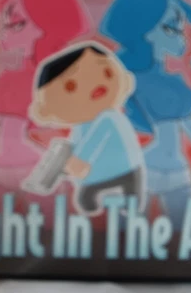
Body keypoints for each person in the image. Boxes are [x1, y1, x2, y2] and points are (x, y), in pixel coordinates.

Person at [99, 0, 191, 228]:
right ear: (146, 32)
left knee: (188, 238)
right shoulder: (131, 80)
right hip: (142, 169)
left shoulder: (173, 83)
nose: (182, 37)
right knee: (126, 239)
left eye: (180, 28)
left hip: (178, 171)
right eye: (171, 28)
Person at [0, 0, 90, 213]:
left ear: (45, 28)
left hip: (41, 168)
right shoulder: (5, 78)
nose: (3, 35)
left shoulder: (55, 82)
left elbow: (66, 131)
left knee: (53, 231)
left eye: (17, 24)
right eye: (4, 25)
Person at [30, 43, 145, 215]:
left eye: (107, 73)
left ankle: (127, 206)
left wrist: (78, 160)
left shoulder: (109, 117)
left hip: (125, 169)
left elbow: (94, 140)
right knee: (86, 201)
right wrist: (63, 160)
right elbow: (80, 144)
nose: (95, 85)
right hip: (97, 175)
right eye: (71, 87)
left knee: (121, 201)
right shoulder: (81, 125)